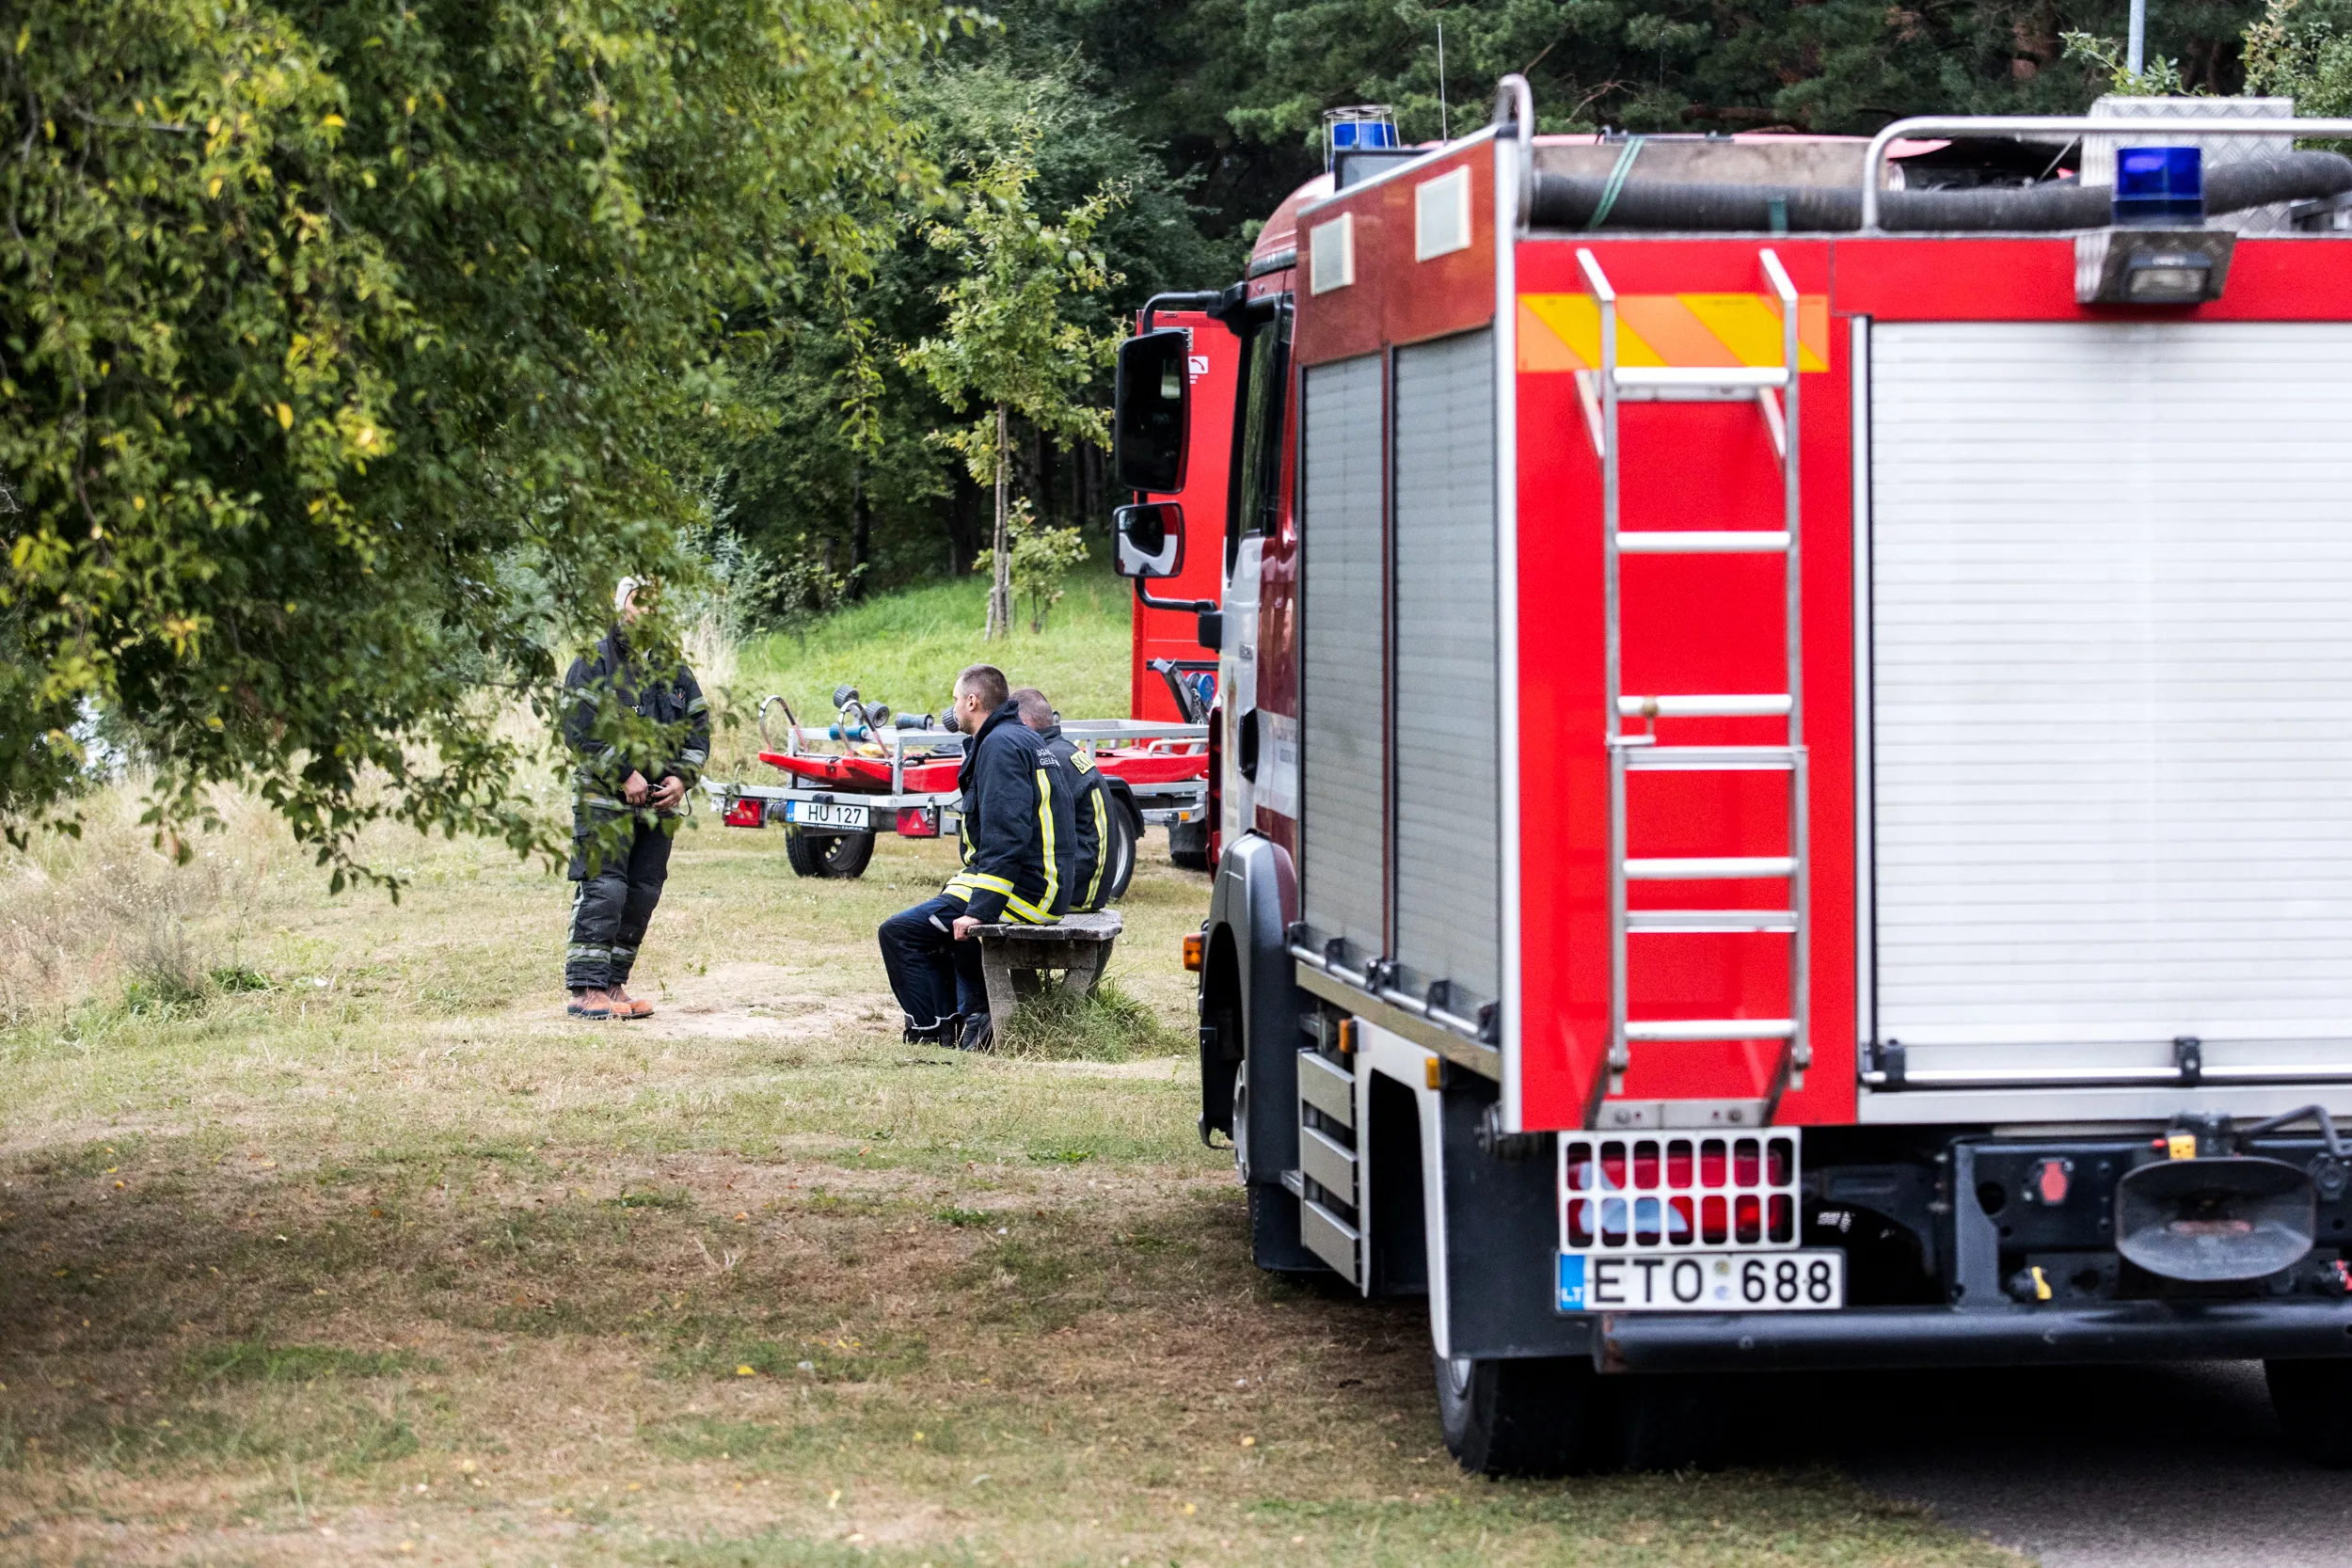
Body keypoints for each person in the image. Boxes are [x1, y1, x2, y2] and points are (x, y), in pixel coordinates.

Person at [877, 663, 1073, 1050]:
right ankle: (961, 1022)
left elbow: (1007, 835)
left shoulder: (1001, 745)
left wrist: (980, 910)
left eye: (955, 700)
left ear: (972, 700)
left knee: (900, 933)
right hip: (1037, 883)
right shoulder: (1017, 737)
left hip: (1030, 890)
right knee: (932, 921)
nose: (953, 709)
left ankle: (930, 1032)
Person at [562, 577, 708, 1021]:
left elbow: (698, 727)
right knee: (605, 888)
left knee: (642, 892)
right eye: (637, 600)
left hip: (659, 806)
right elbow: (579, 727)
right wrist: (623, 773)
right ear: (622, 605)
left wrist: (683, 779)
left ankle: (614, 985)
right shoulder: (594, 661)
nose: (648, 609)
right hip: (605, 798)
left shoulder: (674, 667)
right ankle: (586, 991)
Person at [1012, 687, 1116, 913]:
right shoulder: (1062, 752)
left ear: (1024, 723)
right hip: (1089, 883)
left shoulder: (1048, 761)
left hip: (1078, 890)